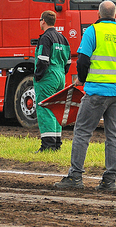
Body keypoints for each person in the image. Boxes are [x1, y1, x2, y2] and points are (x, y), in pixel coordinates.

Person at [54, 0, 116, 191]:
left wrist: (82, 80)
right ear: (115, 15)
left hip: (96, 93)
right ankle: (110, 180)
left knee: (82, 132)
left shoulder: (93, 31)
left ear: (98, 15)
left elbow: (83, 59)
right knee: (113, 136)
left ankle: (75, 177)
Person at [33, 10, 71, 152]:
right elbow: (68, 61)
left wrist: (38, 76)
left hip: (48, 76)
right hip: (60, 75)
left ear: (43, 21)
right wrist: (61, 73)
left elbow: (43, 60)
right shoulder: (63, 38)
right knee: (56, 109)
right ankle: (56, 144)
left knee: (44, 108)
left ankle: (47, 145)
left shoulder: (45, 38)